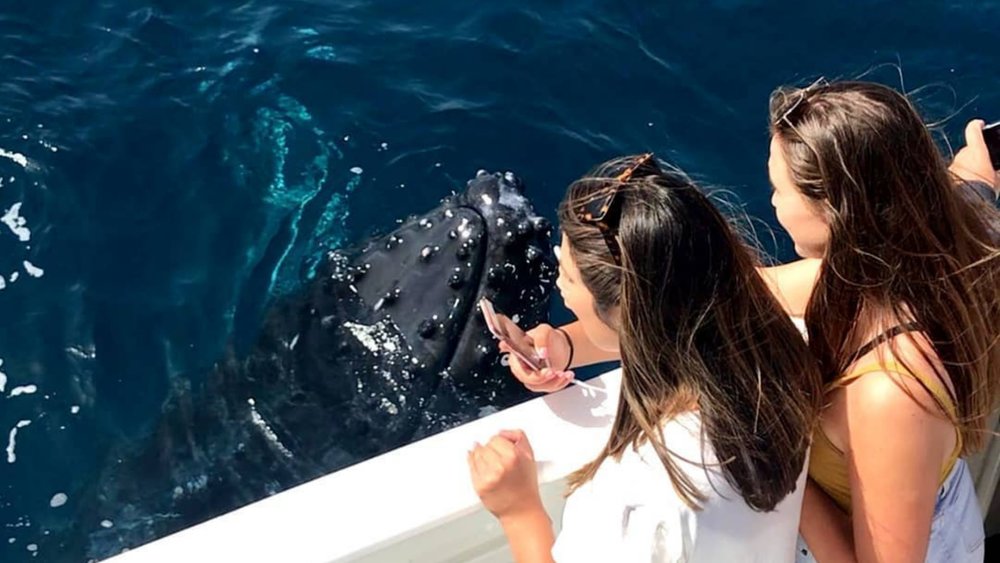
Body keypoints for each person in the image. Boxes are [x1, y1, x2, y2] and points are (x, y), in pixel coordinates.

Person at [512, 82, 1000, 562]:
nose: (771, 203)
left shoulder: (889, 394)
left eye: (777, 188)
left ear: (835, 209)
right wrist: (563, 346)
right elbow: (687, 310)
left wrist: (790, 470)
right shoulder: (897, 263)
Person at [467, 154, 824, 561]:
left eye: (568, 274)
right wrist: (564, 346)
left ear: (626, 313)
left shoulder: (641, 494)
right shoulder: (781, 353)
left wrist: (519, 511)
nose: (560, 279)